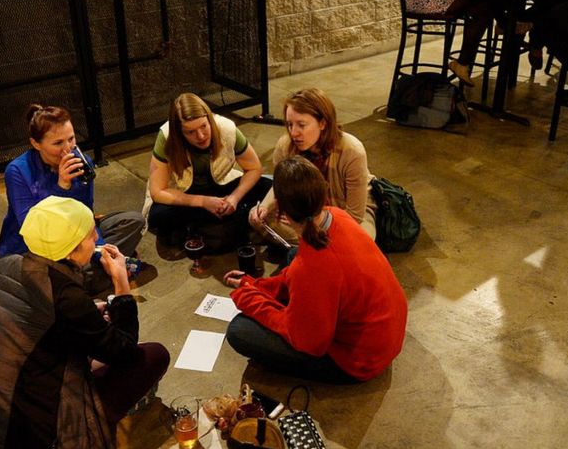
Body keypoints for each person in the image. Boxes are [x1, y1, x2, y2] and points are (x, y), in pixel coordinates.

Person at [0, 196, 169, 449]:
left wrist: (87, 312)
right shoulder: (65, 295)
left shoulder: (4, 266)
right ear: (71, 248)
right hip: (27, 434)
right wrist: (121, 285)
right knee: (153, 355)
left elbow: (31, 318)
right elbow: (123, 350)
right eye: (89, 233)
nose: (96, 238)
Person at [225, 157, 408, 383]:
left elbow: (308, 342)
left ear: (281, 211)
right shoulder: (337, 215)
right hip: (385, 334)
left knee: (239, 331)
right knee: (293, 255)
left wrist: (249, 298)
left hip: (360, 361)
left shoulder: (312, 269)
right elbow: (302, 271)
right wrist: (257, 285)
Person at [0, 104, 144, 293]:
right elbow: (32, 229)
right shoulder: (18, 171)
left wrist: (99, 253)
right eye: (58, 143)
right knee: (46, 277)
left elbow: (86, 215)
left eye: (71, 139)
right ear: (36, 144)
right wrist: (62, 186)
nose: (68, 149)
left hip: (77, 239)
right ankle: (88, 278)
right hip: (35, 250)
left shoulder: (82, 163)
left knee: (132, 221)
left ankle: (87, 274)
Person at [249, 88, 377, 245]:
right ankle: (317, 246)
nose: (293, 133)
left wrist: (306, 222)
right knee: (256, 218)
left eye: (301, 125)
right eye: (290, 124)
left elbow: (355, 215)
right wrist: (264, 207)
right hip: (305, 213)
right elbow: (280, 185)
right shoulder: (285, 145)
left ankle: (309, 245)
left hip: (343, 215)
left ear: (322, 123)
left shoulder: (352, 151)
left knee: (361, 242)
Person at [144, 92, 271, 249]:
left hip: (220, 188)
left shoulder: (226, 128)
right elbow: (158, 191)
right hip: (185, 195)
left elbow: (254, 168)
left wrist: (234, 198)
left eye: (204, 126)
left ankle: (208, 225)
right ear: (180, 133)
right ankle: (220, 223)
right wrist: (203, 202)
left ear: (210, 120)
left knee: (269, 185)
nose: (201, 135)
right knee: (158, 216)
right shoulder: (167, 136)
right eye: (190, 132)